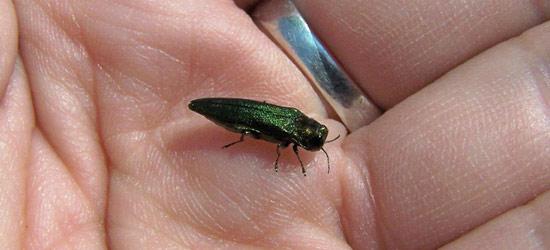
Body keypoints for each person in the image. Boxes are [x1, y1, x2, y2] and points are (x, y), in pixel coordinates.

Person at [0, 0, 548, 249]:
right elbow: (275, 133)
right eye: (312, 144)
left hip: (239, 112)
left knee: (245, 126)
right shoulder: (293, 132)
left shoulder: (296, 125)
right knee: (244, 127)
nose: (312, 147)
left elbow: (281, 128)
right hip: (234, 113)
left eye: (313, 145)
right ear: (303, 134)